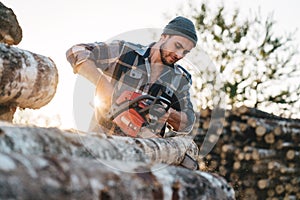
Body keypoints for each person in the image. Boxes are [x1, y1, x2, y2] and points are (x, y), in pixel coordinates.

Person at [66, 16, 197, 138]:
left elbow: (188, 122)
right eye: (177, 46)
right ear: (164, 36)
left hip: (145, 154)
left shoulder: (181, 79)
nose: (179, 55)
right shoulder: (124, 51)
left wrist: (169, 114)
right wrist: (102, 84)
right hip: (102, 142)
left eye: (185, 52)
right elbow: (77, 51)